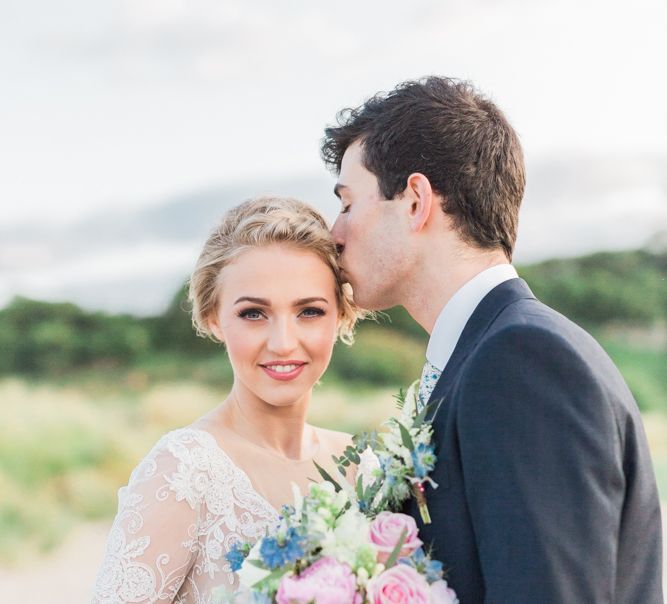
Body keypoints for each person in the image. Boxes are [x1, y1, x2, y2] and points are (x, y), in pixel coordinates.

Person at [321, 77, 663, 603]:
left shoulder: (521, 361)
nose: (335, 233)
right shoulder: (491, 352)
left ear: (415, 200)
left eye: (347, 204)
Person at [91, 196, 362, 603]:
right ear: (213, 317)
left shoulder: (362, 466)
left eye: (309, 311)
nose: (283, 343)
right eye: (254, 313)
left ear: (340, 314)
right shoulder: (183, 474)